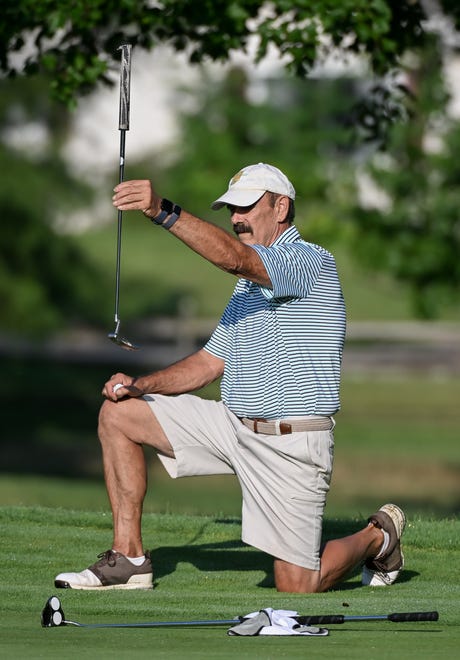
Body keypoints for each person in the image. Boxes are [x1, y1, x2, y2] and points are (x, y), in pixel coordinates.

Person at [55, 163, 405, 593]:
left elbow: (235, 259)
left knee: (298, 585)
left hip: (291, 443)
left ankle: (379, 535)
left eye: (246, 207)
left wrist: (160, 210)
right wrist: (141, 386)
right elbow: (209, 363)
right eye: (231, 209)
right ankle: (129, 559)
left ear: (281, 208)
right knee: (119, 414)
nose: (236, 218)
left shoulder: (309, 261)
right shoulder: (249, 288)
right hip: (231, 427)